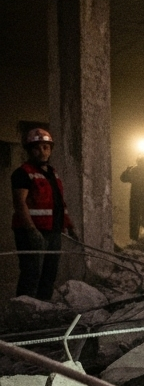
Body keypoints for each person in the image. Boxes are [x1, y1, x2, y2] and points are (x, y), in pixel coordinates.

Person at [10, 127, 77, 300]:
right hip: (32, 232)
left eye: (46, 147)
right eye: (37, 148)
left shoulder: (52, 173)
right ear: (29, 150)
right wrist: (32, 231)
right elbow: (19, 203)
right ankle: (25, 311)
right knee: (31, 273)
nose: (42, 151)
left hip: (53, 231)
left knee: (49, 273)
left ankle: (43, 308)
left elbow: (59, 203)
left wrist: (69, 225)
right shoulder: (22, 173)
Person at [120, 155, 144, 240]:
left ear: (137, 162)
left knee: (134, 217)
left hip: (135, 198)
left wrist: (127, 170)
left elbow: (123, 179)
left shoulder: (134, 171)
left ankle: (134, 237)